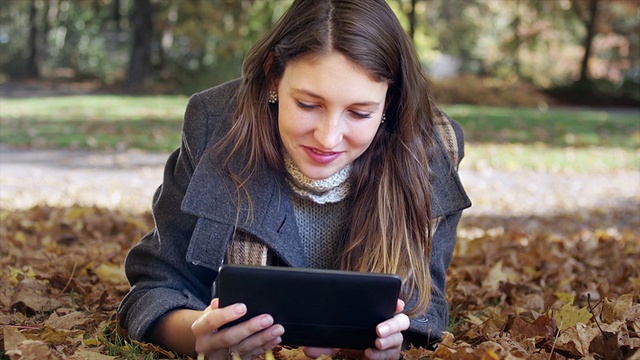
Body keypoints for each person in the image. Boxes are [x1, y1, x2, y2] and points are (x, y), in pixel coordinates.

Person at [118, 0, 471, 359]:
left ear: (389, 101)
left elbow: (426, 312)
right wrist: (196, 336)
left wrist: (396, 344)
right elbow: (155, 288)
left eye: (360, 112)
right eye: (307, 105)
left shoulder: (429, 152)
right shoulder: (214, 126)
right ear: (274, 77)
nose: (328, 137)